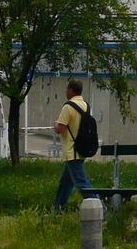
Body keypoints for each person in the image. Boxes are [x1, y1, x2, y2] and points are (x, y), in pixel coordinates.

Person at [53, 78, 98, 211]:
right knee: (65, 183)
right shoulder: (86, 106)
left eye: (66, 88)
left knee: (81, 183)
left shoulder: (68, 107)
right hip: (81, 148)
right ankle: (58, 210)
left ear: (71, 90)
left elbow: (59, 129)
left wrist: (56, 122)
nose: (65, 91)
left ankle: (100, 209)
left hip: (71, 151)